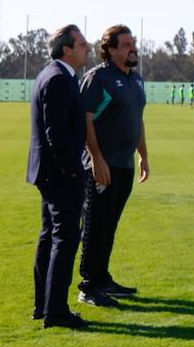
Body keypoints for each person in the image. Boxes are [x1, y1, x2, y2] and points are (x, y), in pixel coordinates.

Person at [77, 25, 149, 309]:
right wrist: (96, 159)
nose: (133, 48)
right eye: (126, 44)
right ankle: (88, 286)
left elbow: (138, 120)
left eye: (134, 43)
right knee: (95, 225)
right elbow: (86, 120)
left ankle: (103, 278)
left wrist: (143, 155)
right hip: (102, 165)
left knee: (110, 225)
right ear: (110, 50)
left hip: (125, 164)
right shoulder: (99, 78)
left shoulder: (137, 80)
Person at [27, 24, 91, 330]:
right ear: (67, 48)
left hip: (51, 172)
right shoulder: (58, 79)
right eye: (81, 43)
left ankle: (45, 306)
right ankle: (55, 311)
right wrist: (72, 169)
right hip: (60, 174)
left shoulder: (58, 76)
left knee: (50, 237)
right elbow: (56, 132)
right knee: (64, 240)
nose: (87, 47)